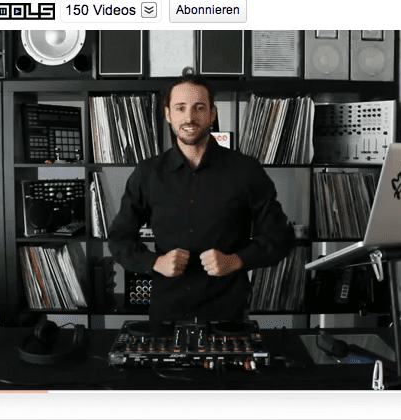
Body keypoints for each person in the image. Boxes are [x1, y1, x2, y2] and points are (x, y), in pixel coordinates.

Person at [108, 74, 295, 327]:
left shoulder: (246, 171)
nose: (189, 118)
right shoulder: (147, 173)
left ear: (212, 114)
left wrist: (235, 261)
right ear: (168, 114)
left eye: (199, 107)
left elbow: (281, 237)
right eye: (180, 108)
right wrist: (155, 262)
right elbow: (119, 238)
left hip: (228, 313)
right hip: (167, 311)